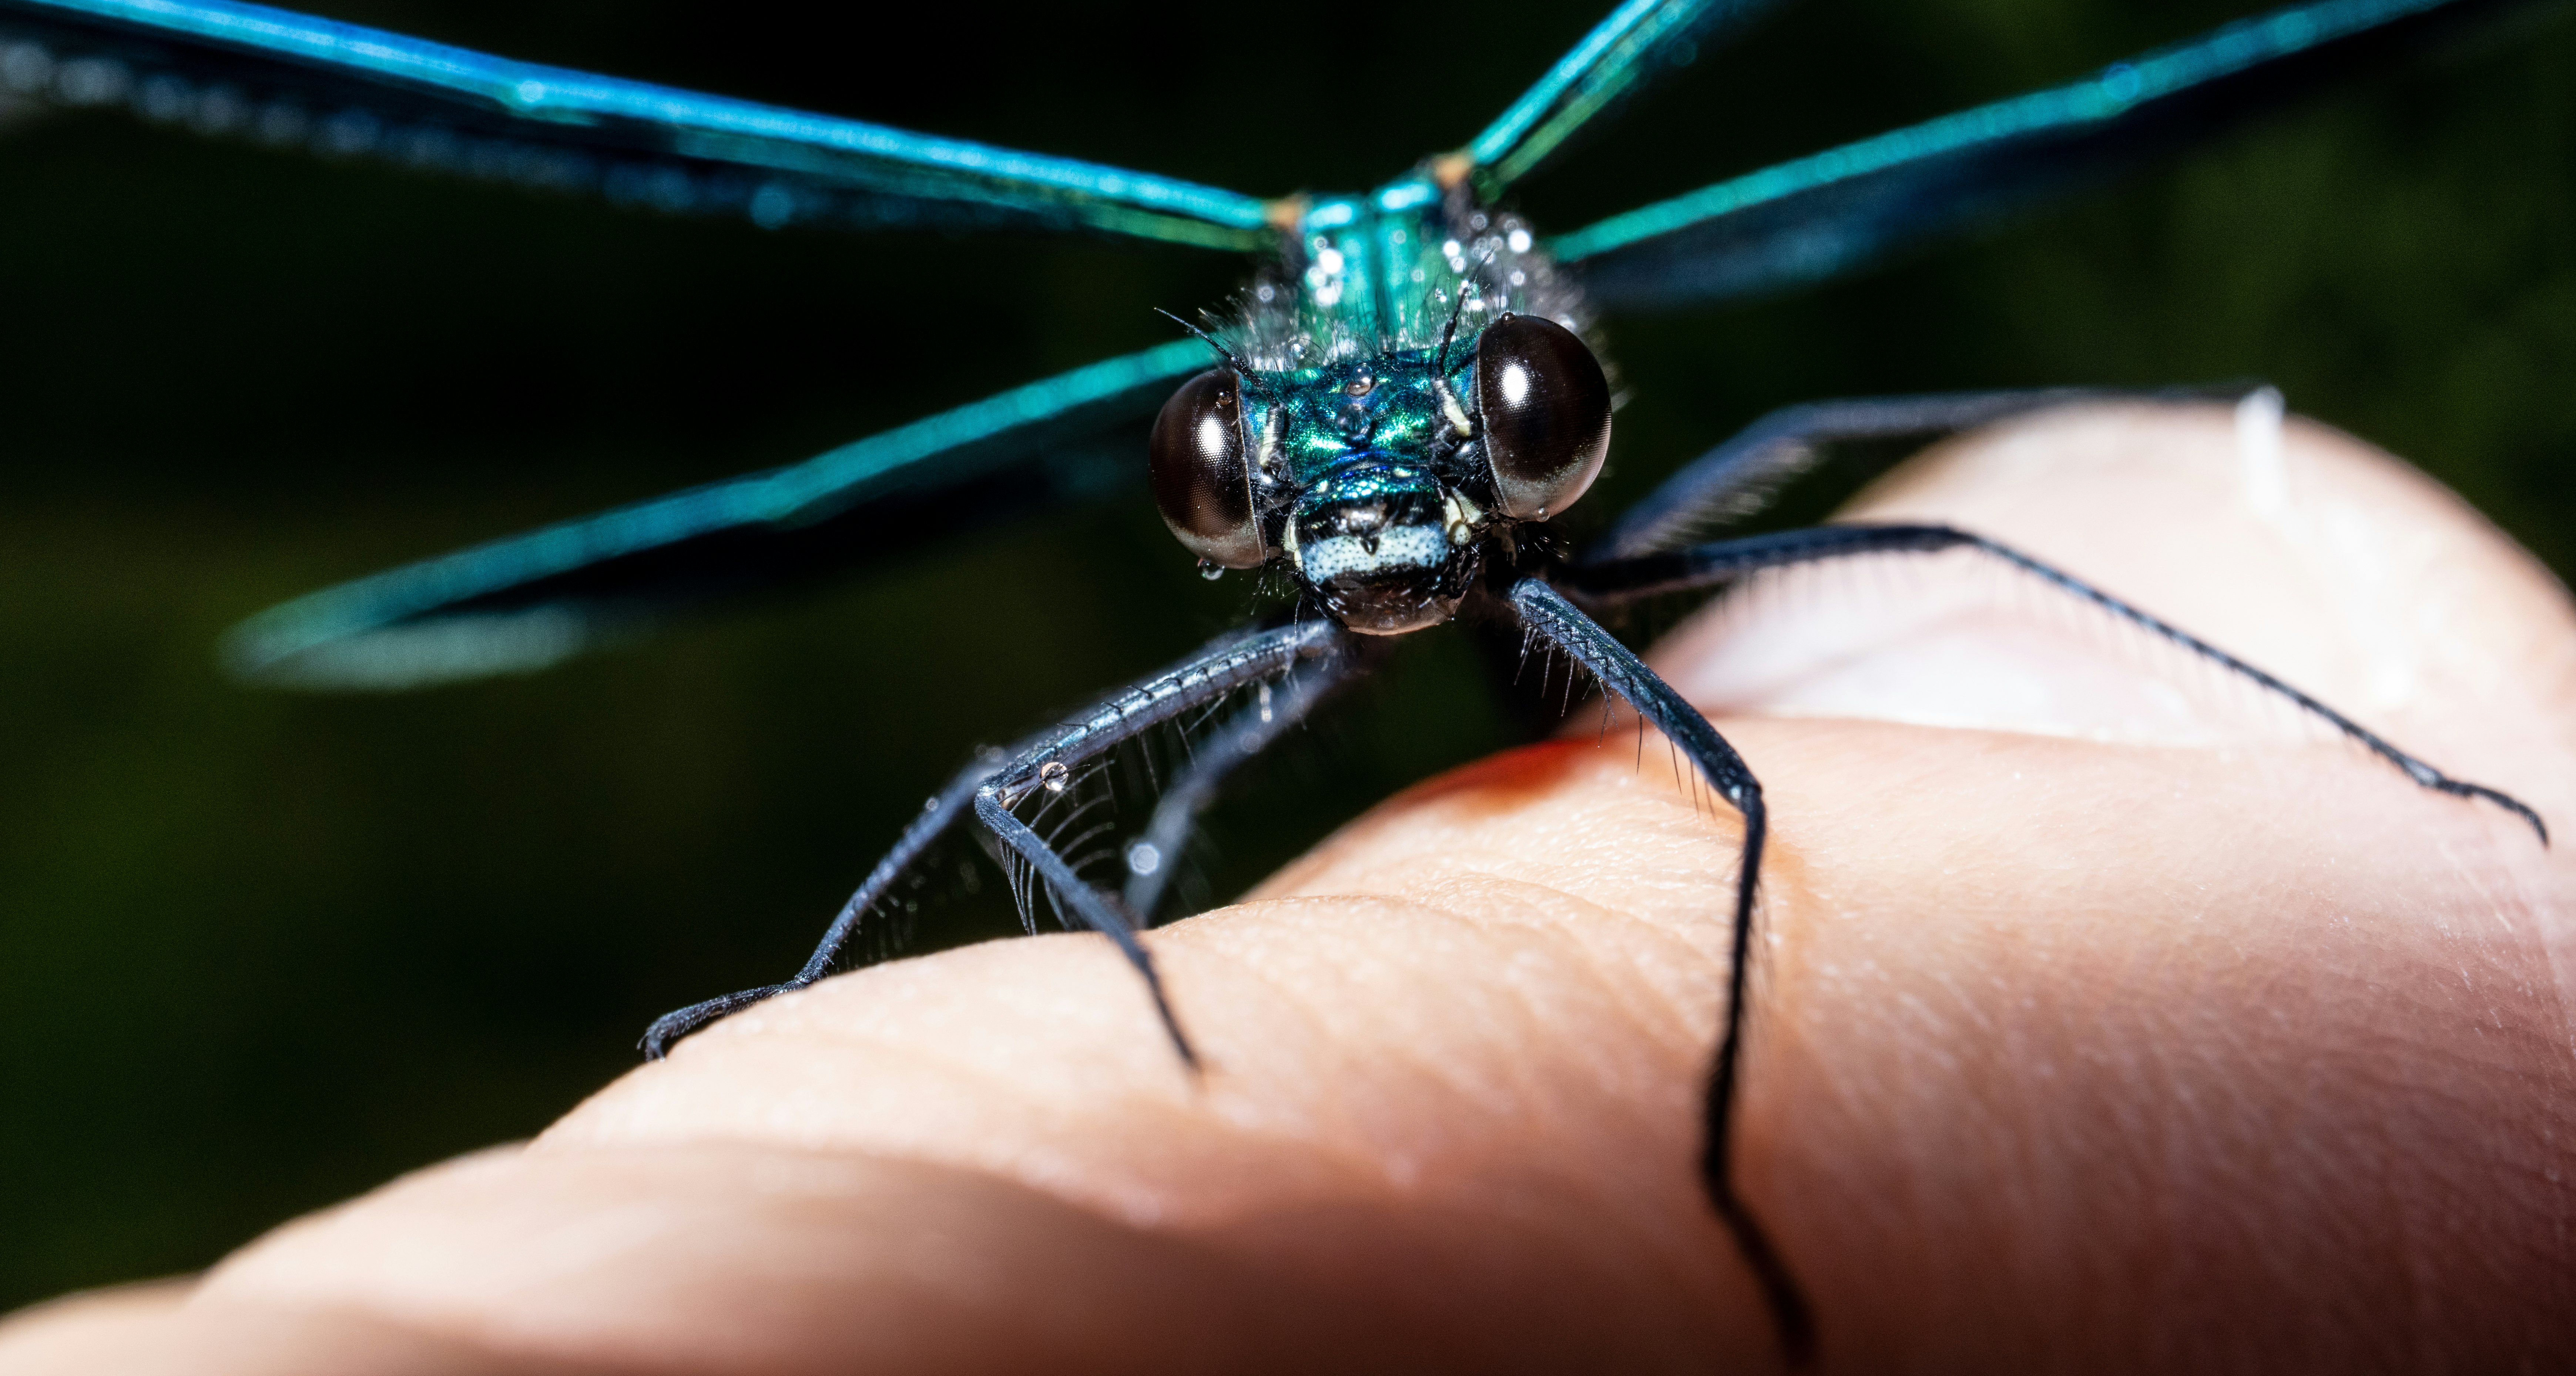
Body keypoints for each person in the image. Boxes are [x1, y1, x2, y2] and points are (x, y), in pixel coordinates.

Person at [3, 401, 2568, 1373]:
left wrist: (1712, 1184)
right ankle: (786, 1001)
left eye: (1482, 438)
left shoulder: (1554, 561)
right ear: (1233, 483)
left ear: (1536, 417)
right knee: (1043, 789)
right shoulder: (1356, 556)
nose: (1370, 533)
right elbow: (1013, 797)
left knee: (1811, 626)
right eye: (1259, 483)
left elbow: (1758, 811)